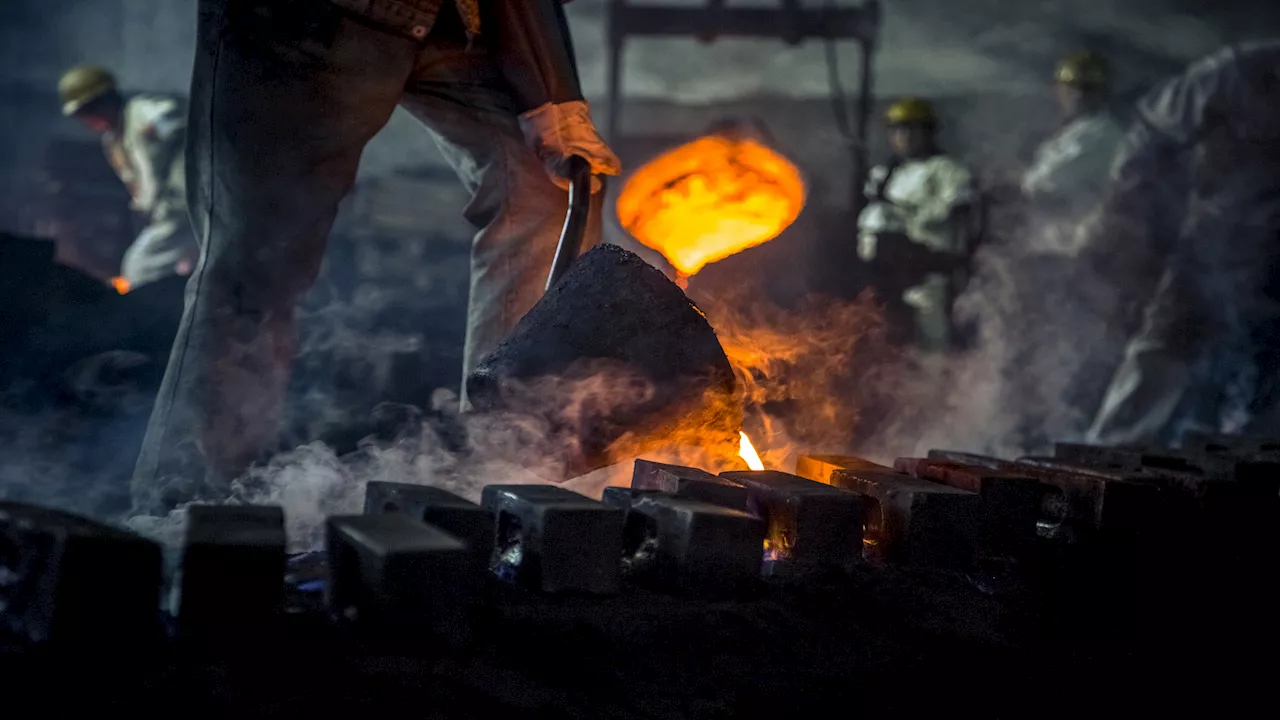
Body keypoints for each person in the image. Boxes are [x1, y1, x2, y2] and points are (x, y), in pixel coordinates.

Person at [128, 0, 621, 513]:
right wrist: (554, 92)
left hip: (450, 20)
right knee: (257, 264)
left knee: (552, 185)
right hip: (308, 20)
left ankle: (506, 465)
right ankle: (183, 509)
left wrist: (556, 100)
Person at [1082, 39, 1280, 445]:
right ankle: (1106, 466)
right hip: (1218, 245)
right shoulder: (1240, 71)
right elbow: (1154, 132)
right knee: (1162, 355)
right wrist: (1134, 223)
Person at [57, 65, 199, 291]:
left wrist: (160, 131)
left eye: (90, 110)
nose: (89, 120)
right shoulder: (113, 140)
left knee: (140, 267)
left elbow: (192, 128)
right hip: (170, 215)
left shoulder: (144, 113)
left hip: (187, 208)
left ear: (105, 100)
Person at [857, 97, 978, 352]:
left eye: (913, 130)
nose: (905, 137)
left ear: (928, 132)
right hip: (887, 276)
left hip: (928, 277)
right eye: (899, 130)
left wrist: (909, 217)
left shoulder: (947, 170)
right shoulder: (886, 174)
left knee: (933, 345)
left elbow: (959, 210)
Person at [1020, 50, 1126, 251]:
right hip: (1051, 244)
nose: (1077, 96)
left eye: (1086, 89)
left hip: (1069, 250)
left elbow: (1041, 184)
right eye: (1072, 88)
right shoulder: (1077, 132)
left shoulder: (1098, 136)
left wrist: (1008, 181)